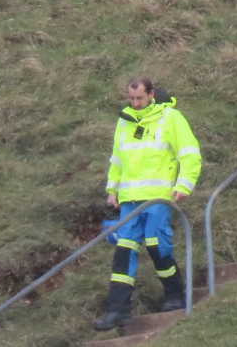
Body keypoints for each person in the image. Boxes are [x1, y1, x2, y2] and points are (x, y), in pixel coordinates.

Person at [93, 77, 202, 331]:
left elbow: (189, 153)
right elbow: (117, 159)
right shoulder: (125, 121)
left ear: (151, 94)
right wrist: (112, 190)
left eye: (139, 98)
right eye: (131, 99)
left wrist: (184, 185)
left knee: (156, 244)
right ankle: (118, 310)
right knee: (124, 251)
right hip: (130, 201)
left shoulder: (170, 117)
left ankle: (175, 295)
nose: (135, 103)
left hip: (157, 197)